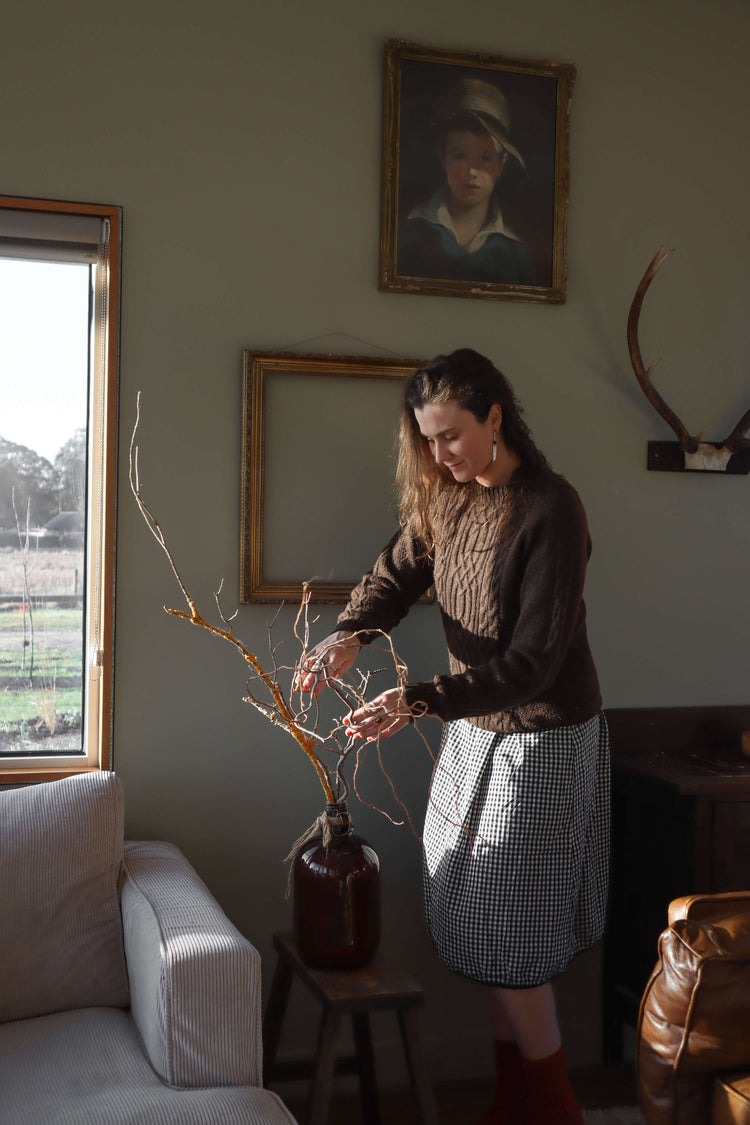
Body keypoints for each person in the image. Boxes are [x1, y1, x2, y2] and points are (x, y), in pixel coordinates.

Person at [297, 348, 609, 1125]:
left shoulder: (550, 508)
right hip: (473, 728)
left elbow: (534, 663)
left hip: (542, 737)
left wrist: (419, 698)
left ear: (495, 416)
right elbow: (396, 573)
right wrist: (350, 635)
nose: (439, 455)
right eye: (427, 440)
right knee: (485, 923)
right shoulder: (448, 500)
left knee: (516, 940)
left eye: (452, 435)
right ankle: (516, 1104)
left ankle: (555, 1109)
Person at [397, 78, 540, 287]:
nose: (472, 172)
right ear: (442, 157)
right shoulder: (409, 233)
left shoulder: (515, 255)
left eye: (484, 158)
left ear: (502, 164)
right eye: (459, 156)